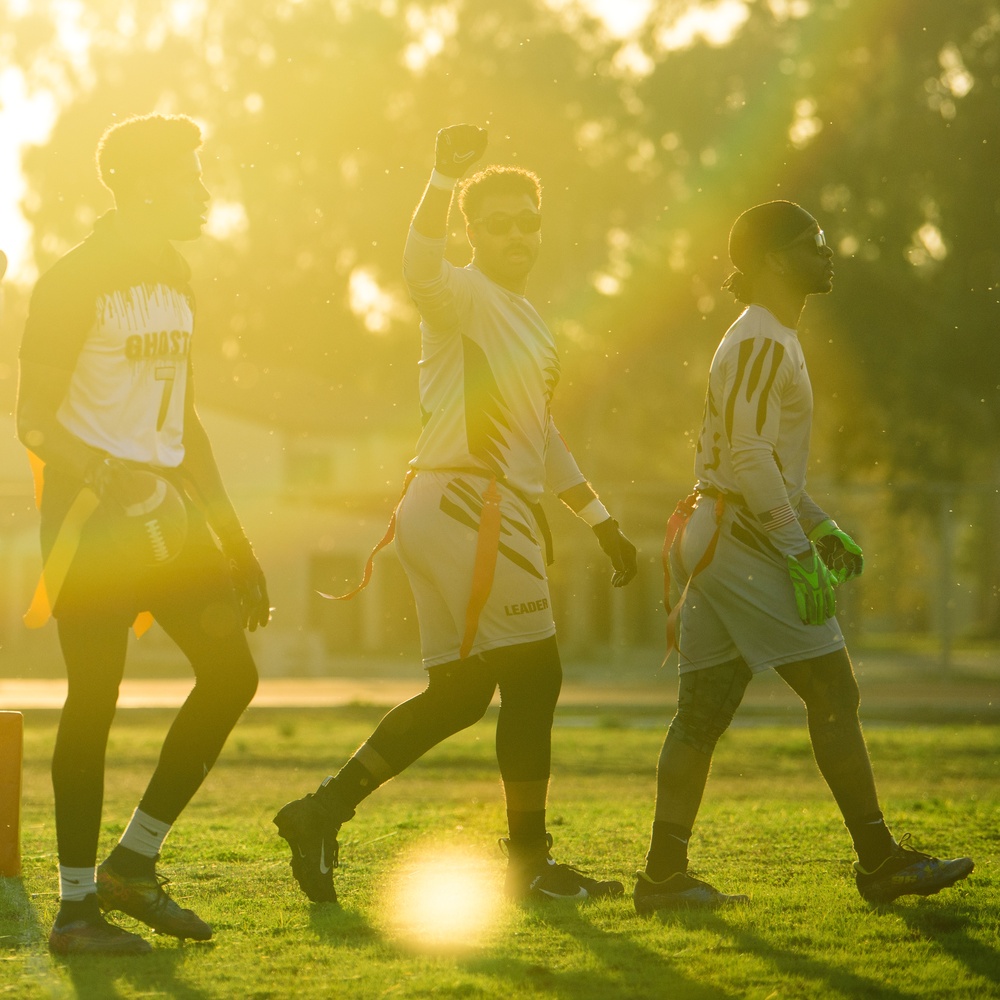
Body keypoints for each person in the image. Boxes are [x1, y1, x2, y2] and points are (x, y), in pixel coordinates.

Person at [274, 124, 638, 904]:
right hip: (472, 504)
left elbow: (542, 439)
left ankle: (321, 812)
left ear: (541, 228)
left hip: (441, 506)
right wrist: (441, 178)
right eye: (497, 222)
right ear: (474, 233)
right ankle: (528, 867)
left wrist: (601, 519)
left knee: (464, 696)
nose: (514, 234)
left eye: (526, 221)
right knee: (537, 675)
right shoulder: (463, 294)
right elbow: (418, 268)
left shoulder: (528, 318)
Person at [635, 200, 974, 914]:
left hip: (719, 530)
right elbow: (751, 456)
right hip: (742, 541)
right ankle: (879, 861)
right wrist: (796, 548)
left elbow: (753, 460)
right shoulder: (762, 336)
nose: (826, 251)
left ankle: (664, 877)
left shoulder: (766, 334)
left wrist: (819, 524)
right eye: (809, 242)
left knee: (700, 715)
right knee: (834, 692)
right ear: (768, 260)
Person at [17, 113, 269, 955]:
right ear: (143, 184)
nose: (204, 192)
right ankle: (76, 908)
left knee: (231, 675)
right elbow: (33, 422)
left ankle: (135, 862)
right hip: (93, 526)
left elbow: (185, 423)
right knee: (93, 704)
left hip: (170, 516)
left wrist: (233, 541)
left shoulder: (175, 271)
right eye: (190, 177)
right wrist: (106, 474)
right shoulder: (70, 279)